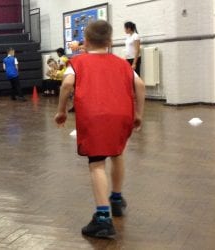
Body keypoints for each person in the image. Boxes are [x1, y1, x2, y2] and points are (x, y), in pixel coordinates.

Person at [54, 20, 145, 238]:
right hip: (122, 114)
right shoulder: (122, 63)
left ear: (85, 42)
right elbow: (140, 85)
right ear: (110, 42)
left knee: (96, 164)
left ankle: (103, 220)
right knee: (117, 153)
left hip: (95, 116)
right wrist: (139, 114)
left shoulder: (78, 62)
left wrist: (61, 111)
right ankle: (116, 198)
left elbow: (67, 85)